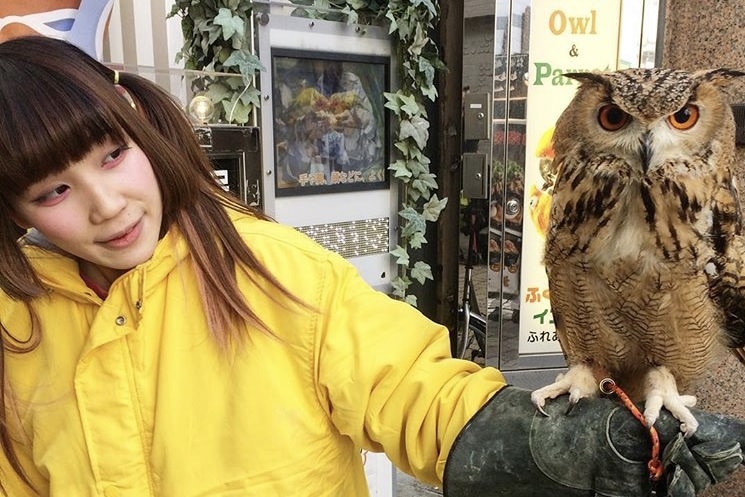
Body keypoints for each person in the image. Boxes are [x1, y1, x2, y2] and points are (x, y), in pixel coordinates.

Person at [0, 36, 742, 497]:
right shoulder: (16, 329)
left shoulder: (267, 267)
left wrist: (532, 447)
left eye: (112, 155)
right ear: (17, 210)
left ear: (140, 125)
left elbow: (410, 387)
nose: (105, 205)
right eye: (54, 189)